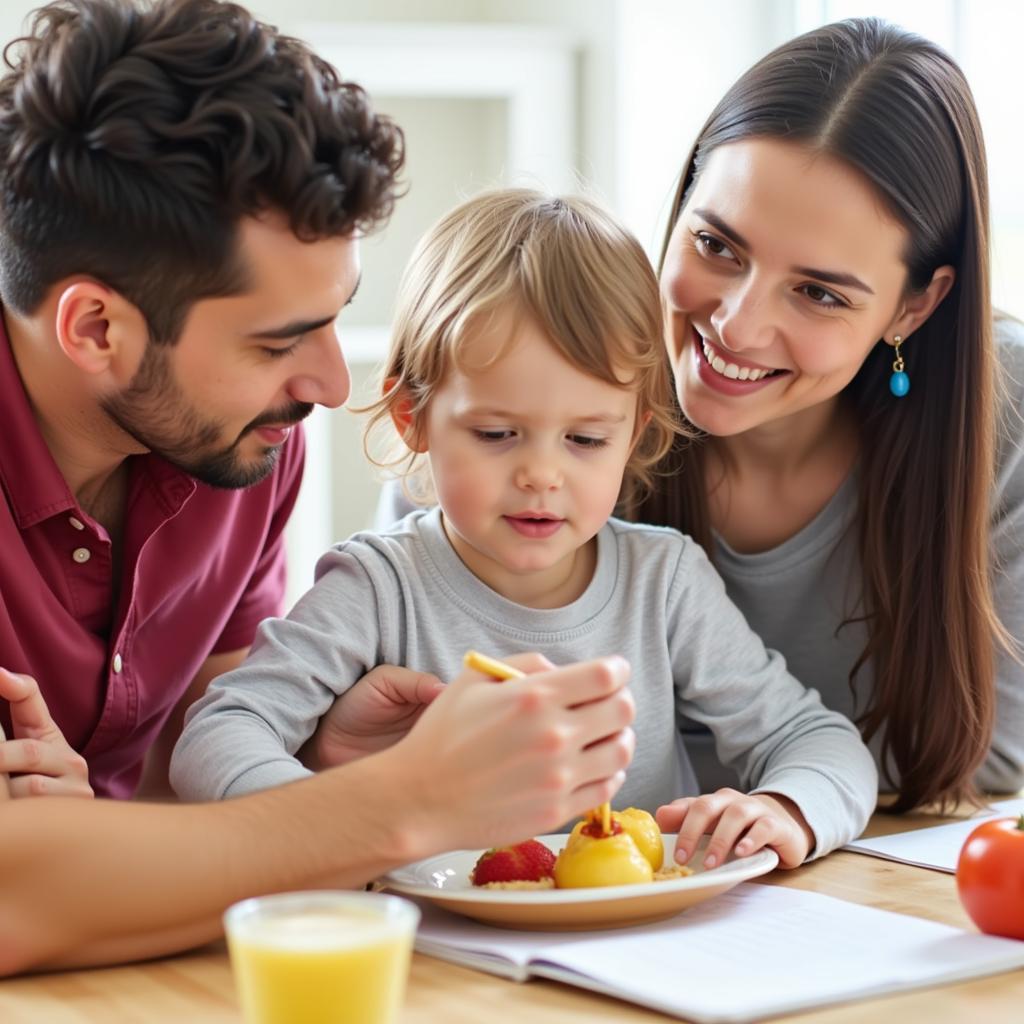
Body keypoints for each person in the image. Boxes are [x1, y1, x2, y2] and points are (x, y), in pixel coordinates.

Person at [0, 0, 635, 974]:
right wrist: (404, 802)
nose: (331, 385)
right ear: (93, 329)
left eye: (334, 317)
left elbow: (186, 782)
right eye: (277, 340)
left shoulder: (242, 452)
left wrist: (320, 759)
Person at [171, 188, 877, 870]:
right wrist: (338, 829)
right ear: (411, 416)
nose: (542, 475)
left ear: (637, 433)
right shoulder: (378, 586)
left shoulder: (664, 582)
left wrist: (787, 807)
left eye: (586, 441)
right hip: (450, 961)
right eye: (498, 432)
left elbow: (814, 740)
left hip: (653, 946)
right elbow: (216, 738)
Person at [638, 16, 1024, 812]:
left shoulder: (1007, 415)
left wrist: (787, 809)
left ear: (915, 307)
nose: (736, 326)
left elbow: (996, 755)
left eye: (818, 293)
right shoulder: (554, 359)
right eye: (716, 245)